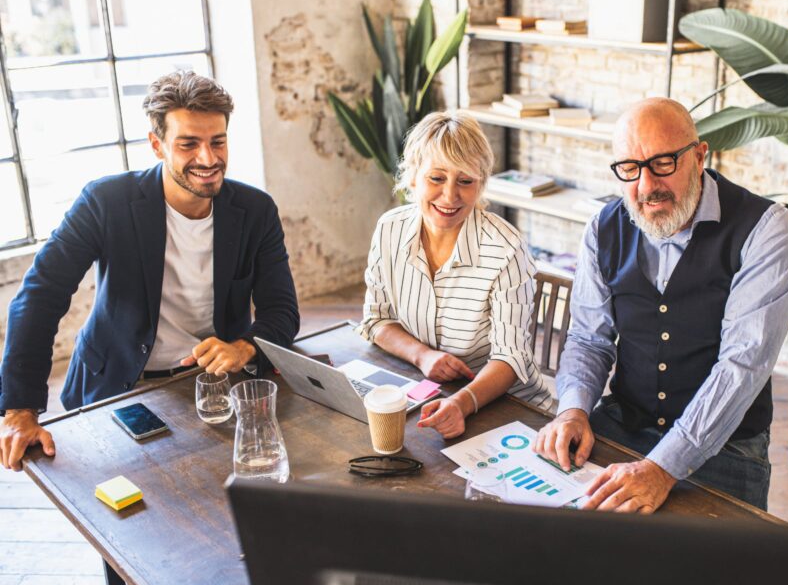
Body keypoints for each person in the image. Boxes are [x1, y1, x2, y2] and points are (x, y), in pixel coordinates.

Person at [0, 71, 300, 471]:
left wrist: (244, 346)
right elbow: (40, 295)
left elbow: (282, 311)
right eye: (188, 144)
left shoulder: (256, 210)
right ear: (157, 145)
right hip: (116, 385)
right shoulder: (105, 202)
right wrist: (19, 408)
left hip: (212, 388)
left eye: (218, 142)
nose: (208, 159)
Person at [534, 97, 788, 512]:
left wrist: (662, 467)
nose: (646, 186)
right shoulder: (602, 227)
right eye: (630, 169)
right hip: (625, 423)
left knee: (708, 572)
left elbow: (741, 366)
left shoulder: (765, 229)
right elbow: (589, 339)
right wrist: (572, 411)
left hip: (725, 449)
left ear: (699, 156)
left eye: (663, 163)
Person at [358, 111, 552, 438]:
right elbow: (376, 320)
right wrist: (423, 356)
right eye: (436, 178)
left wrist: (461, 403)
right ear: (413, 176)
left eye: (465, 181)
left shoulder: (507, 249)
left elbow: (511, 358)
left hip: (509, 408)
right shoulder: (389, 229)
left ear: (481, 184)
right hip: (430, 393)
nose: (450, 196)